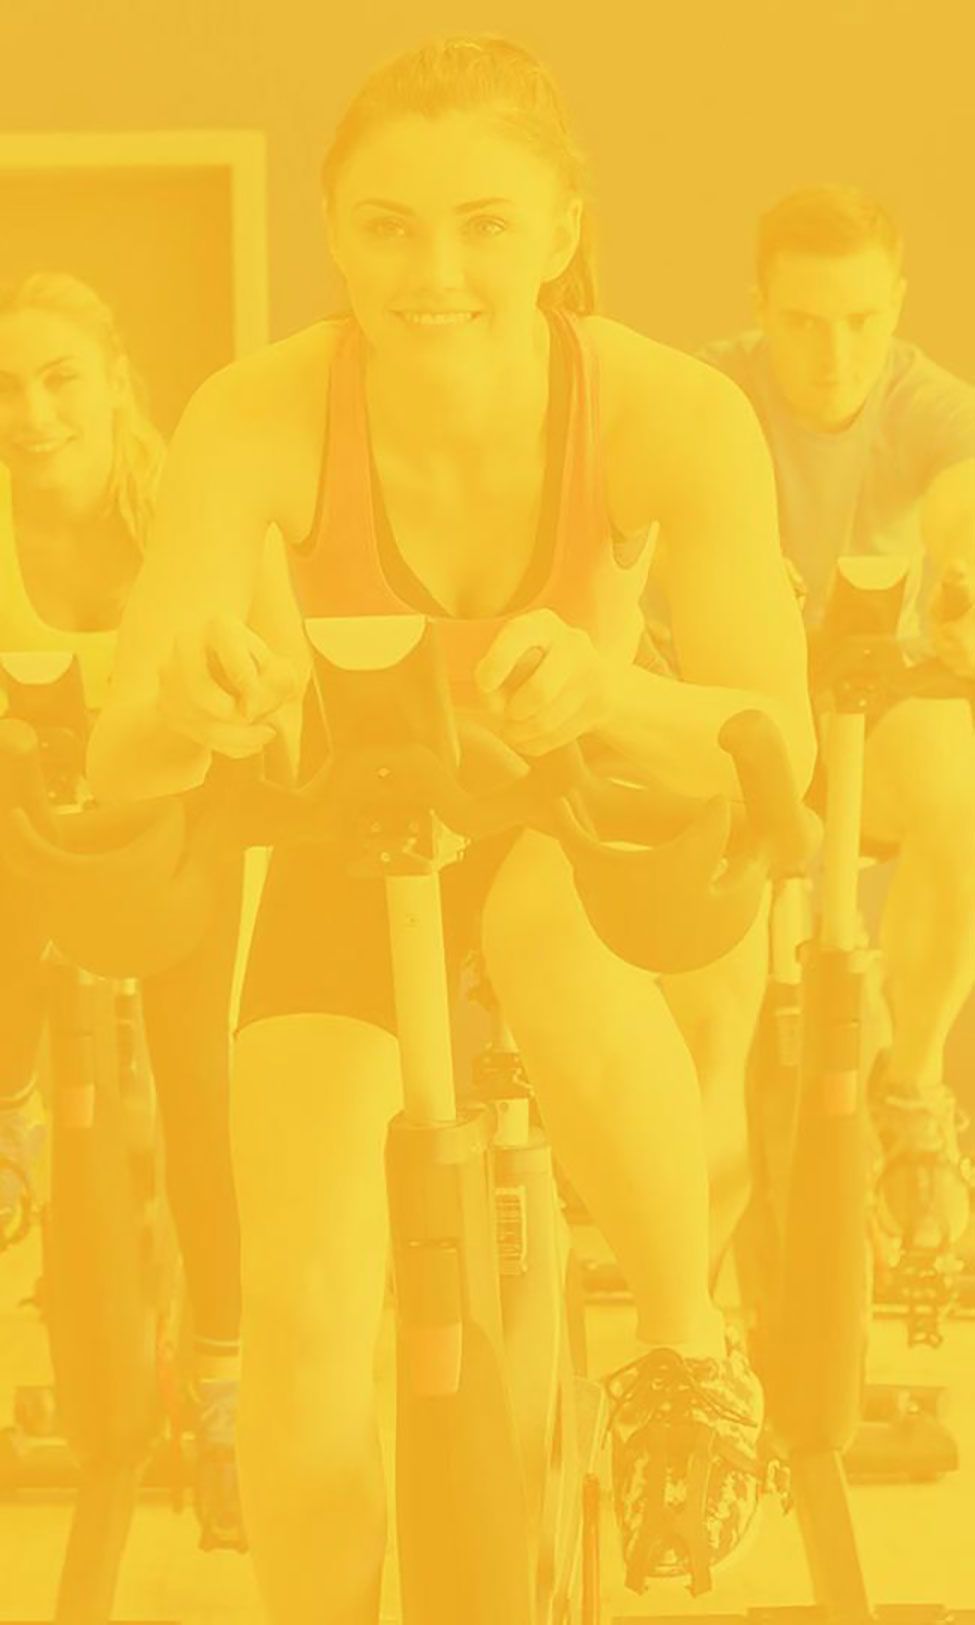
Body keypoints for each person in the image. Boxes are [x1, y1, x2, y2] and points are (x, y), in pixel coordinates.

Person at [88, 37, 814, 1620]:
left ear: (560, 230)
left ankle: (681, 1346)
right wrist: (192, 703)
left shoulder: (666, 412)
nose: (433, 272)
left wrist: (608, 691)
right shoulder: (259, 412)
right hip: (356, 838)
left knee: (538, 928)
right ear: (334, 234)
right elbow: (126, 747)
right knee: (302, 1324)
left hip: (578, 818)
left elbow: (775, 736)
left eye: (483, 224)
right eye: (388, 226)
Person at [0, 271, 248, 1545]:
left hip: (176, 833)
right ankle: (12, 1121)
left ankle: (224, 1387)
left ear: (112, 387)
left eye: (60, 379)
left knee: (204, 1090)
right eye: (7, 387)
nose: (33, 411)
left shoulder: (181, 514)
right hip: (28, 842)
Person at [699, 186, 975, 1256]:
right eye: (805, 322)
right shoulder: (712, 395)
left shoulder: (926, 403)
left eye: (861, 320)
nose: (834, 354)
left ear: (896, 303)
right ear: (759, 308)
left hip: (876, 701)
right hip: (739, 706)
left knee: (962, 795)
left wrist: (963, 573)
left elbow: (961, 494)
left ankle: (912, 1091)